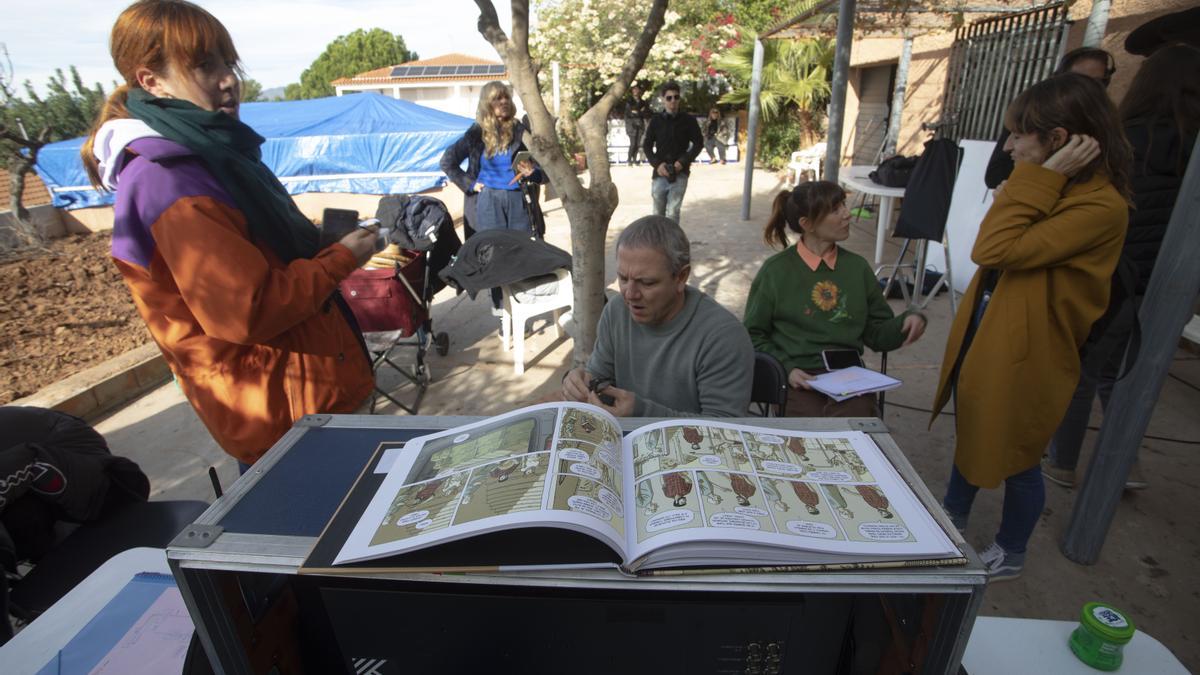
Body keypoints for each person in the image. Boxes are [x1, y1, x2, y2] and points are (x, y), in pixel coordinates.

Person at [80, 0, 377, 467]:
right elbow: (248, 310)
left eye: (228, 62)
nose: (228, 79)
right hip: (286, 420)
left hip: (311, 396)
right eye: (203, 65)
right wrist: (341, 258)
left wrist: (322, 243)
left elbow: (256, 257)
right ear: (150, 81)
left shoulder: (216, 157)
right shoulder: (169, 181)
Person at [931, 73, 1132, 581]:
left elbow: (991, 250)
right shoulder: (1055, 189)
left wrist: (1025, 187)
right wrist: (1027, 189)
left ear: (1059, 141)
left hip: (1030, 350)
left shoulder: (1098, 207)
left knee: (1019, 453)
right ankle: (952, 516)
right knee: (972, 425)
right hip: (992, 327)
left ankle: (1012, 548)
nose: (1009, 145)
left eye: (1020, 135)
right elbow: (999, 244)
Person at [1043, 44, 1200, 490]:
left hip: (1114, 275)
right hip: (1165, 284)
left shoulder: (1124, 141)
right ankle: (1121, 464)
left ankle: (1063, 461)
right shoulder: (1188, 146)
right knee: (1125, 371)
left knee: (1086, 369)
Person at [743, 181, 927, 417]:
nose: (847, 215)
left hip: (851, 379)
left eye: (844, 205)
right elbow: (752, 334)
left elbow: (878, 334)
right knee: (807, 432)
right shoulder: (776, 272)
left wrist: (908, 321)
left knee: (856, 421)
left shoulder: (857, 268)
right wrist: (787, 369)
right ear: (806, 224)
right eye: (835, 210)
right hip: (799, 379)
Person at [561, 216, 754, 417]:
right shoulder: (617, 311)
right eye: (623, 278)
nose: (629, 294)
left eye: (647, 282)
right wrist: (581, 384)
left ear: (681, 277)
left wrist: (641, 413)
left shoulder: (723, 337)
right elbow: (599, 379)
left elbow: (723, 430)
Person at [440, 81, 544, 315]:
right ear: (488, 103)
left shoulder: (520, 129)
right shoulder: (476, 132)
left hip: (518, 200)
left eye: (506, 97)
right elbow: (447, 162)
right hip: (488, 202)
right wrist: (470, 184)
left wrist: (533, 172)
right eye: (498, 98)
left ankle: (522, 304)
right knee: (493, 255)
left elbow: (541, 163)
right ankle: (501, 308)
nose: (504, 102)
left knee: (521, 251)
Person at [984, 47, 1116, 189]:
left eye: (1097, 83)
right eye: (1076, 80)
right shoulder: (1033, 114)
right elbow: (995, 176)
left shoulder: (1107, 126)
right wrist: (1048, 174)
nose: (1085, 89)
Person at [642, 82, 703, 223]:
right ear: (663, 99)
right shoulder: (656, 121)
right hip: (660, 173)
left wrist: (682, 162)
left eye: (676, 97)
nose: (673, 101)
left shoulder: (689, 120)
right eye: (669, 98)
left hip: (680, 173)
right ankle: (658, 243)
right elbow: (647, 145)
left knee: (673, 213)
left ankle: (670, 244)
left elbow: (698, 144)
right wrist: (657, 165)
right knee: (657, 213)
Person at [623, 82, 650, 166]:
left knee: (638, 144)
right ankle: (629, 160)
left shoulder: (643, 102)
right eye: (634, 89)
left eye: (637, 89)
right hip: (632, 126)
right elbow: (629, 113)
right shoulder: (629, 101)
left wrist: (637, 112)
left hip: (640, 125)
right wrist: (638, 112)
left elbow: (645, 112)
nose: (636, 91)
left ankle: (635, 160)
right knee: (633, 143)